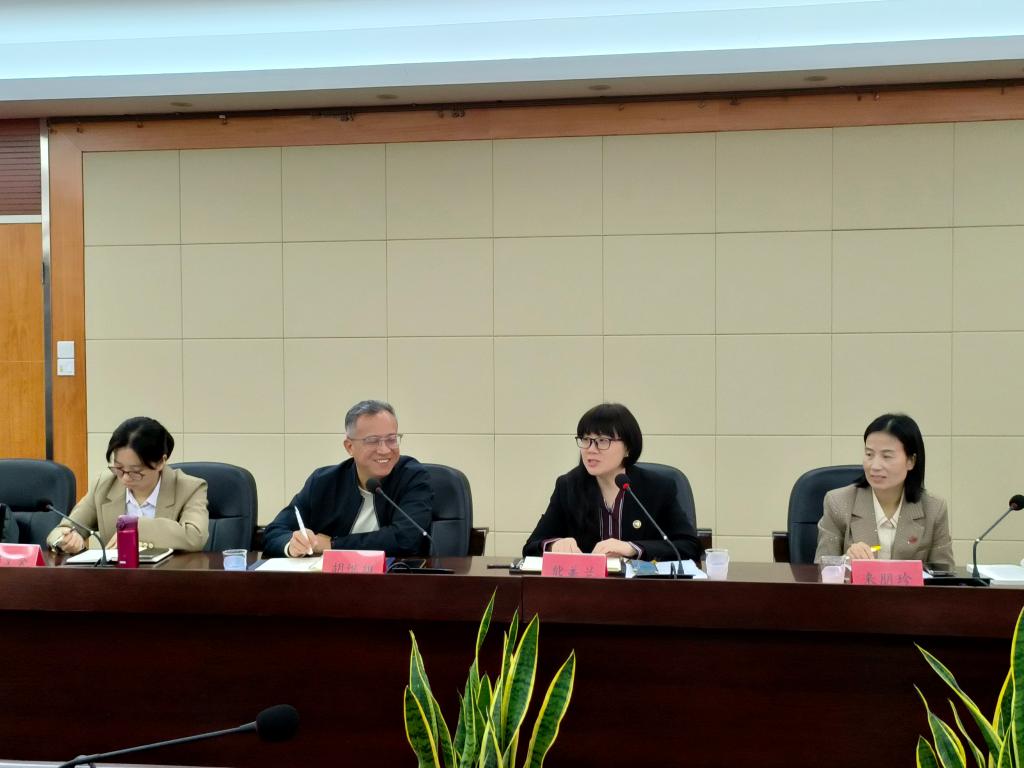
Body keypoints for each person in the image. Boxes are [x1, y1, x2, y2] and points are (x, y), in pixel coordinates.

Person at [523, 403, 702, 561]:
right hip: (586, 586)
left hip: (641, 586)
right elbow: (531, 546)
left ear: (628, 448)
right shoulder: (569, 486)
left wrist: (632, 548)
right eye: (586, 440)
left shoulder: (658, 488)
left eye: (602, 441)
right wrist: (554, 545)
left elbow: (689, 546)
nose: (591, 449)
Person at [263, 399, 433, 558]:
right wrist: (293, 545)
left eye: (391, 439)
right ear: (349, 447)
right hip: (329, 578)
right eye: (372, 441)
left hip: (397, 576)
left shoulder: (412, 477)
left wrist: (332, 545)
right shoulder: (323, 482)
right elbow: (274, 532)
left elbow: (406, 538)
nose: (385, 450)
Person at [47, 416, 209, 553]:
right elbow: (62, 530)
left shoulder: (189, 488)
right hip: (118, 577)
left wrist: (136, 527)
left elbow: (195, 537)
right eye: (119, 468)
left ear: (161, 462)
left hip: (168, 577)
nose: (124, 478)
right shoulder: (105, 485)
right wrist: (65, 540)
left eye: (135, 471)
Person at [815, 413, 953, 567]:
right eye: (869, 454)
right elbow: (821, 568)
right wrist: (846, 561)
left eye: (887, 456)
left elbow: (945, 573)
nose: (875, 466)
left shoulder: (934, 509)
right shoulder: (838, 502)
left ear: (911, 461)